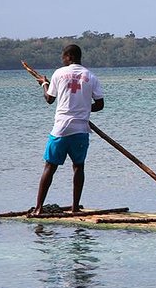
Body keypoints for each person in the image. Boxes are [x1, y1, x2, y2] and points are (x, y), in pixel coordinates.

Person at [30, 44, 105, 216]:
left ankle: (39, 208)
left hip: (61, 129)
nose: (62, 60)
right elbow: (100, 105)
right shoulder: (90, 76)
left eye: (63, 57)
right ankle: (75, 207)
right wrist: (84, 109)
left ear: (69, 56)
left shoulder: (59, 73)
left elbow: (49, 99)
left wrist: (44, 84)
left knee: (50, 166)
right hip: (81, 129)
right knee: (78, 166)